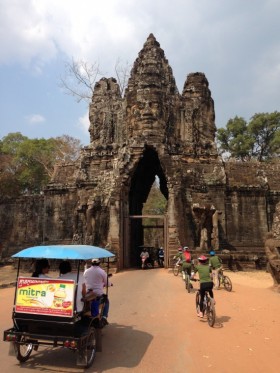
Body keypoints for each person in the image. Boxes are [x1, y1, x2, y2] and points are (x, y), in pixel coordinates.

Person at [84, 258, 112, 324]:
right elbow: (107, 283)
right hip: (97, 294)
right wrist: (110, 284)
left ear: (91, 263)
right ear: (99, 263)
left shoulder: (86, 271)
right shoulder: (102, 271)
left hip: (88, 293)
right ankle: (104, 317)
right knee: (106, 301)